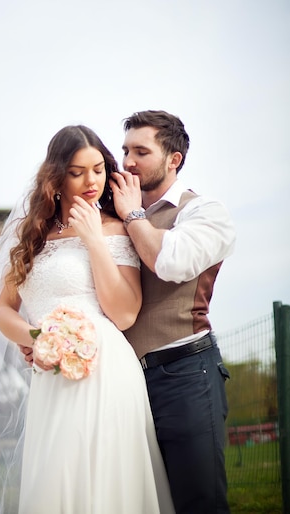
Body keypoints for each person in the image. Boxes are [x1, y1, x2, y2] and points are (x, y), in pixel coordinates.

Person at [0, 124, 174, 514]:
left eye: (99, 169)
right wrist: (40, 337)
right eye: (77, 172)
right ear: (56, 177)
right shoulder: (29, 236)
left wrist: (92, 240)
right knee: (57, 478)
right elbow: (2, 311)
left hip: (105, 370)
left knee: (105, 479)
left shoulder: (116, 229)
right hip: (52, 372)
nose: (91, 181)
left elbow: (123, 312)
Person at [110, 110, 236, 514]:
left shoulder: (204, 212)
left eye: (141, 151)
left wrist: (132, 216)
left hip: (185, 375)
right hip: (121, 380)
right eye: (125, 149)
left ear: (173, 159)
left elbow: (170, 263)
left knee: (198, 500)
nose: (127, 161)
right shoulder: (108, 218)